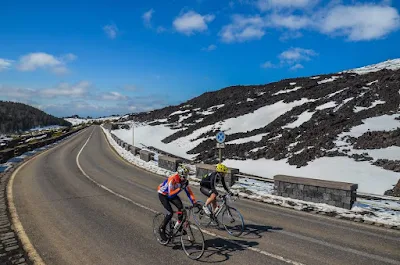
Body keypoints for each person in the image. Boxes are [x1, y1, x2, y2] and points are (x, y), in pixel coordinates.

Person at [157, 164, 197, 241]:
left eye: (186, 175)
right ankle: (162, 229)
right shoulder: (172, 179)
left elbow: (189, 192)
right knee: (170, 213)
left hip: (172, 194)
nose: (185, 177)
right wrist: (179, 189)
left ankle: (178, 225)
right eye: (184, 175)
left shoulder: (184, 181)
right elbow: (170, 194)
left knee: (181, 209)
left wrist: (194, 202)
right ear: (179, 174)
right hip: (163, 195)